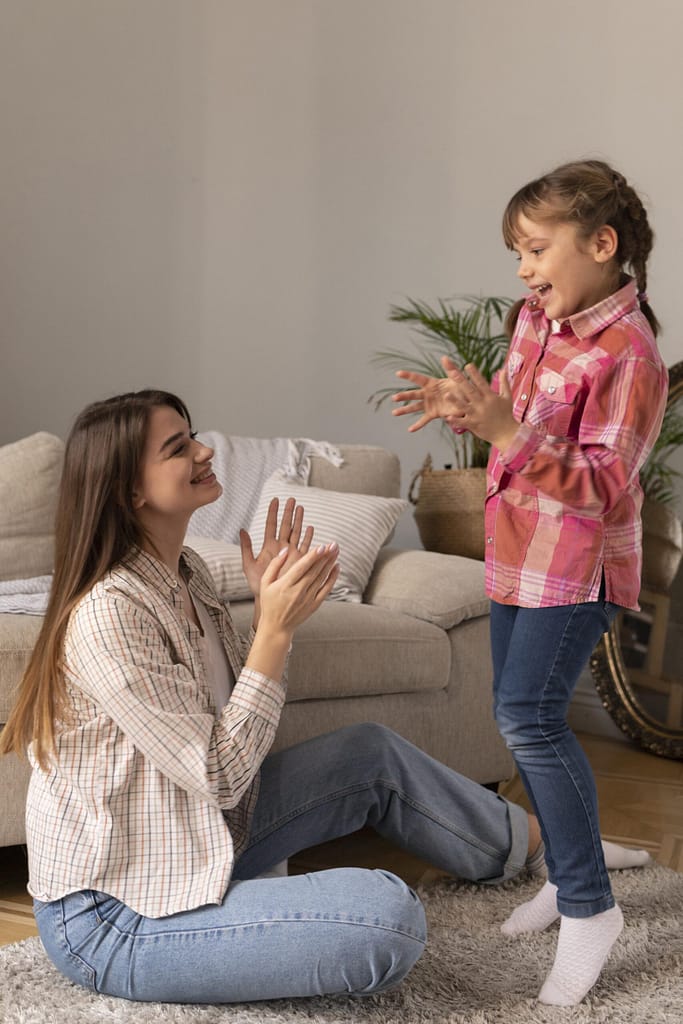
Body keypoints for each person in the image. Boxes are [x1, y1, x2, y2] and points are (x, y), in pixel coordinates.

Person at [0, 387, 554, 1005]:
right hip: (117, 914)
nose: (205, 449)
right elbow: (221, 773)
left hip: (199, 836)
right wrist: (274, 630)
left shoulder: (188, 575)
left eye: (194, 434)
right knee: (387, 917)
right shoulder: (110, 615)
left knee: (369, 752)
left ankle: (538, 847)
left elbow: (242, 726)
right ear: (131, 490)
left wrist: (269, 622)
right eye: (179, 447)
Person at [391, 158, 667, 1006]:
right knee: (517, 720)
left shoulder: (630, 353)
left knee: (525, 713)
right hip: (515, 552)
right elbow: (510, 408)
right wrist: (466, 404)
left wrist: (505, 428)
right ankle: (567, 868)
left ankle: (589, 907)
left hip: (577, 569)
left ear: (600, 244)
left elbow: (602, 487)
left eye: (536, 249)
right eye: (516, 252)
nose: (522, 269)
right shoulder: (531, 319)